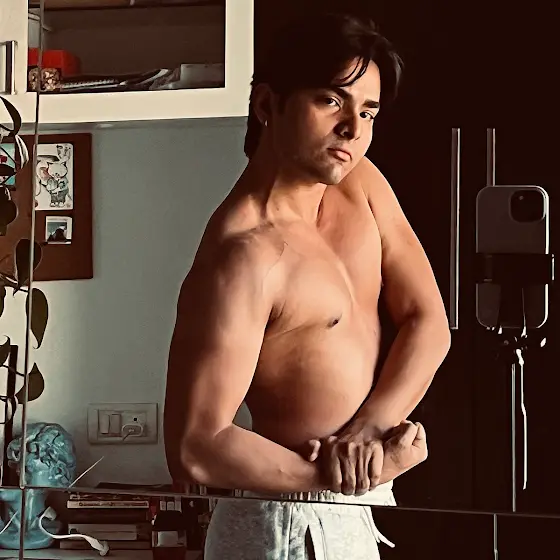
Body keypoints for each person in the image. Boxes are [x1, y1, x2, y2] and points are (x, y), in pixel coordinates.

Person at [164, 10, 451, 559]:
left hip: (351, 509)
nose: (354, 129)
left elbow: (429, 321)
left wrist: (370, 431)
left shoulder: (360, 184)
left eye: (368, 111)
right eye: (331, 101)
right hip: (284, 526)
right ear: (267, 105)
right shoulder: (245, 254)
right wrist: (353, 474)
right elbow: (197, 445)